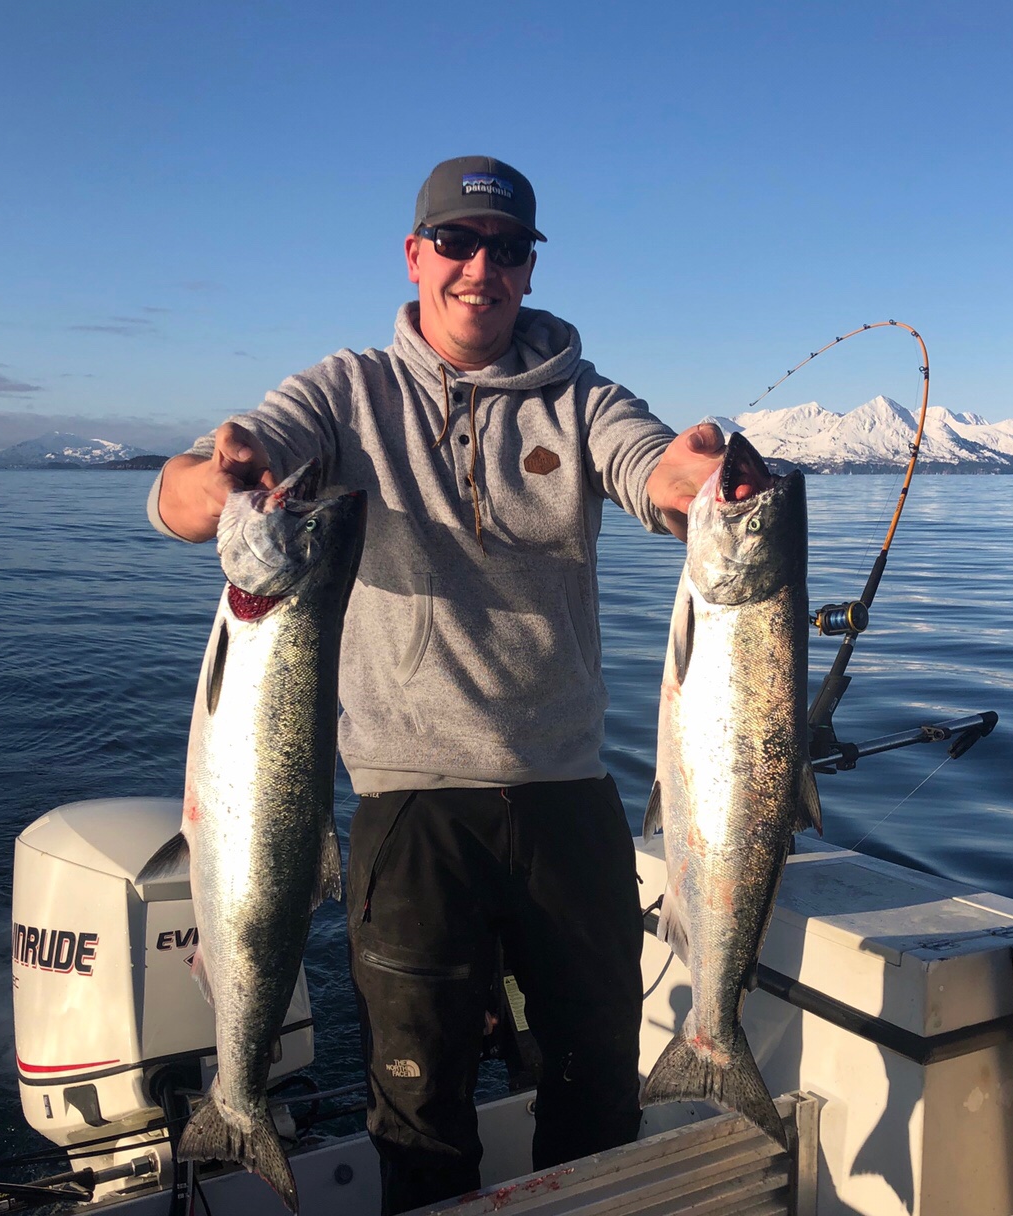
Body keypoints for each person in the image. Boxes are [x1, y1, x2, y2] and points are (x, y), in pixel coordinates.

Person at [148, 154, 725, 1212]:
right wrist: (219, 475)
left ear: (529, 269)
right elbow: (186, 500)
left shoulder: (582, 397)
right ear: (415, 255)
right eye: (456, 245)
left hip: (567, 795)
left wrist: (707, 482)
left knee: (599, 1088)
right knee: (418, 1112)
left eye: (506, 251)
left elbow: (659, 472)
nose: (480, 270)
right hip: (409, 806)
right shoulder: (346, 391)